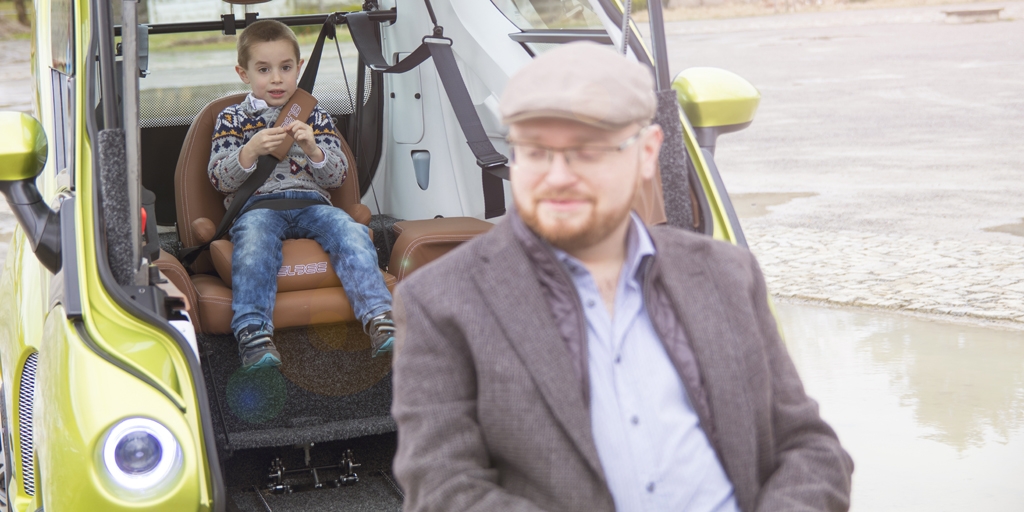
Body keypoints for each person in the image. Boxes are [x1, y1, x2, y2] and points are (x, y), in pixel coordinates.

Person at [390, 42, 853, 511]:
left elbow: (809, 447)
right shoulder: (440, 301)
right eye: (535, 151)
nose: (558, 177)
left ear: (648, 151)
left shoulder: (727, 273)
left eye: (587, 151)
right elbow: (443, 490)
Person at [208, 20, 395, 370]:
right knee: (254, 241)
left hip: (312, 204)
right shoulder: (231, 118)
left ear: (299, 68)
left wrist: (313, 148)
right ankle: (253, 332)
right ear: (243, 73)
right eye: (264, 69)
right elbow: (220, 180)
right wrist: (249, 151)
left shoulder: (315, 114)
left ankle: (380, 318)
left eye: (285, 68)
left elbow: (337, 176)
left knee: (350, 232)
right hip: (258, 207)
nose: (276, 79)